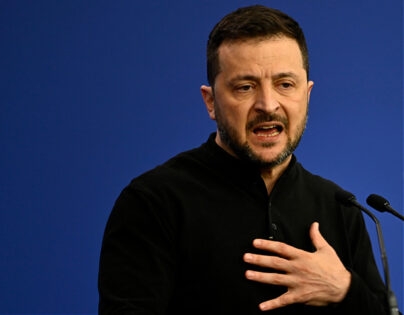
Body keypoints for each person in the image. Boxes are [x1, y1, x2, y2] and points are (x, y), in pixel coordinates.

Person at [98, 5, 389, 314]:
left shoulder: (340, 207)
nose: (267, 104)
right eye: (245, 87)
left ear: (307, 95)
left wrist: (345, 289)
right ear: (211, 103)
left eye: (285, 84)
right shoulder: (153, 203)